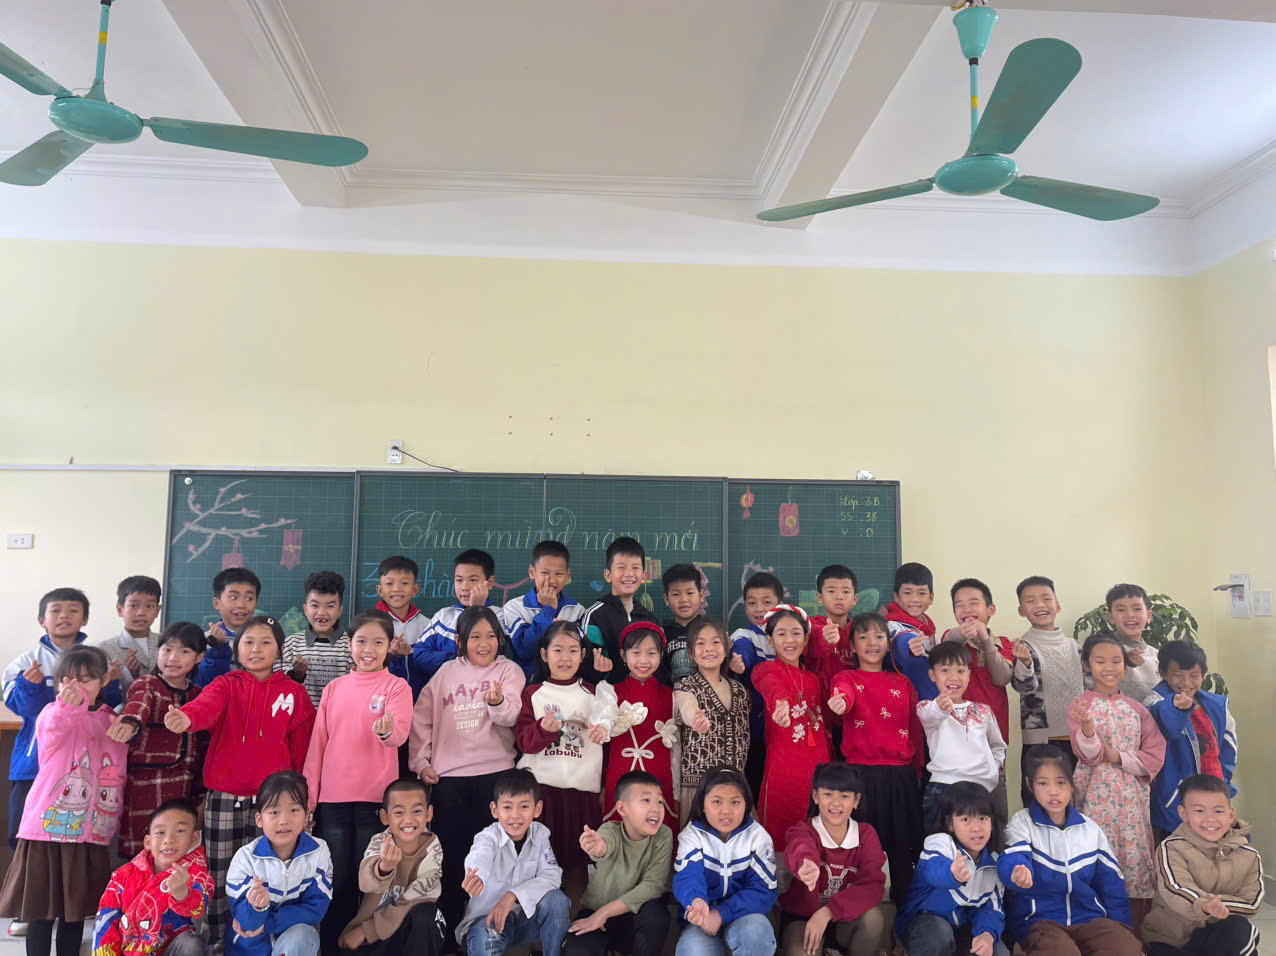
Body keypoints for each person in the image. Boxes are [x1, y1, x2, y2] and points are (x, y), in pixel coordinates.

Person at [164, 616, 316, 947]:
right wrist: (186, 717)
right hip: (224, 797)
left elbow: (303, 750)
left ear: (279, 649)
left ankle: (259, 944)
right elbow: (204, 707)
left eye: (265, 642)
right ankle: (218, 944)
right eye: (248, 642)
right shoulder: (226, 685)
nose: (256, 649)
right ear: (237, 649)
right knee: (220, 874)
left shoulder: (294, 693)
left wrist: (302, 799)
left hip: (274, 804)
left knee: (268, 875)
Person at [0, 646, 129, 956]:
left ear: (104, 680)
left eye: (85, 679)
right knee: (41, 914)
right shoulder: (53, 712)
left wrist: (109, 819)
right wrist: (69, 707)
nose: (75, 686)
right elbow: (53, 729)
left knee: (75, 914)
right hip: (48, 831)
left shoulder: (111, 720)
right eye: (66, 680)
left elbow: (116, 774)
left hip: (89, 832)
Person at [409, 606, 525, 938]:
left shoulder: (509, 671)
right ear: (460, 641)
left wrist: (496, 702)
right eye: (475, 637)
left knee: (493, 860)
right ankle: (448, 933)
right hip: (450, 778)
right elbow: (421, 719)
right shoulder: (445, 672)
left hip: (495, 777)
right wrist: (421, 762)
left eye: (491, 636)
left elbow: (510, 717)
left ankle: (486, 934)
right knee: (452, 857)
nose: (484, 643)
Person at [303, 610, 414, 955]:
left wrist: (386, 732)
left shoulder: (396, 686)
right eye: (361, 641)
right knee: (335, 879)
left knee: (371, 882)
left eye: (378, 642)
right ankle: (332, 947)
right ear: (348, 644)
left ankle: (365, 947)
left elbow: (399, 734)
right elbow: (317, 746)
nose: (368, 649)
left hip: (375, 800)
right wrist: (309, 802)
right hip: (333, 800)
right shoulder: (334, 689)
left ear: (389, 646)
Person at [3, 588, 122, 855]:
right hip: (32, 761)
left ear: (85, 619)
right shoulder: (27, 661)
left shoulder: (97, 658)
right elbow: (23, 709)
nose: (64, 616)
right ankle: (23, 876)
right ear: (41, 620)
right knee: (23, 831)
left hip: (80, 766)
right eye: (56, 610)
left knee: (73, 829)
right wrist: (29, 686)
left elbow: (105, 708)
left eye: (73, 610)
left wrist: (112, 683)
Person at [998, 745, 1141, 956]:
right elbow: (1013, 858)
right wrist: (1016, 872)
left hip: (1088, 918)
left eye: (1060, 782)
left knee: (1126, 947)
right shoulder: (1022, 823)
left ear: (1071, 784)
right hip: (1040, 921)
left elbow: (1111, 884)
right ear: (1030, 785)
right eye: (1043, 783)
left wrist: (1122, 928)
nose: (1053, 791)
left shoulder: (1090, 829)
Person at [1067, 633, 1166, 933]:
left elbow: (1154, 755)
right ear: (1087, 665)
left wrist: (1117, 756)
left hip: (1132, 798)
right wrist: (1087, 728)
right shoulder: (1080, 706)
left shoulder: (1138, 709)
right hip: (1093, 797)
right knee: (1098, 854)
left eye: (1115, 661)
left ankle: (1133, 935)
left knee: (1134, 858)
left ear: (1125, 666)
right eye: (1100, 661)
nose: (1108, 667)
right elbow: (1087, 754)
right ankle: (1097, 933)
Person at [828, 612, 923, 904]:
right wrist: (841, 702)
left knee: (902, 851)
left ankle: (904, 918)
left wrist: (917, 772)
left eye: (879, 636)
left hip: (900, 777)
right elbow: (843, 695)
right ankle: (857, 914)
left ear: (888, 643)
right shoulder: (846, 678)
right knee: (859, 851)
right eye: (863, 637)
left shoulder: (903, 682)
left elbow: (915, 731)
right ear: (852, 645)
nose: (872, 643)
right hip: (861, 778)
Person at [515, 621, 618, 875]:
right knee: (539, 865)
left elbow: (608, 749)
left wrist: (604, 785)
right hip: (542, 794)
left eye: (573, 651)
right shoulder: (533, 693)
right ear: (544, 654)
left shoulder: (595, 694)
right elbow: (523, 742)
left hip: (582, 796)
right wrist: (543, 730)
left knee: (578, 866)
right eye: (557, 650)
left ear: (583, 655)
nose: (565, 658)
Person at [107, 621, 208, 860]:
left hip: (185, 784)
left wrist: (201, 790)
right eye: (167, 649)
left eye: (184, 651)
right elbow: (137, 705)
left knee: (176, 849)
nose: (173, 657)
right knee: (142, 850)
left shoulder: (199, 695)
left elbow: (204, 740)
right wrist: (130, 722)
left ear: (199, 657)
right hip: (145, 782)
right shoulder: (147, 684)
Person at [1142, 775, 1264, 956]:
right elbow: (1176, 889)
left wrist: (1217, 906)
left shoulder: (1249, 855)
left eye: (1218, 811)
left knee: (1239, 929)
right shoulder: (1171, 847)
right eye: (1199, 811)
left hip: (1217, 936)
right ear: (1184, 814)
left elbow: (1251, 902)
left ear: (1231, 815)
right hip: (1171, 939)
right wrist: (1204, 905)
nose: (1210, 819)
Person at [455, 768, 571, 956]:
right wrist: (477, 875)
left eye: (524, 806)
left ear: (537, 809)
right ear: (495, 810)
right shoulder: (488, 837)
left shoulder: (540, 834)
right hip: (487, 922)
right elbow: (480, 855)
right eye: (507, 807)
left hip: (526, 922)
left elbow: (551, 876)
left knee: (557, 901)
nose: (515, 815)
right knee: (485, 940)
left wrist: (512, 895)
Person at [780, 762, 887, 956]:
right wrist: (805, 864)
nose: (836, 803)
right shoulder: (804, 830)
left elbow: (872, 884)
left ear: (856, 800)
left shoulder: (866, 834)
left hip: (845, 920)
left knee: (873, 919)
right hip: (803, 920)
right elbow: (799, 848)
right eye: (828, 794)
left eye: (844, 796)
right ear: (816, 796)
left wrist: (829, 911)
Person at [563, 770, 673, 956]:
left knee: (657, 915)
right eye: (646, 800)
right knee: (578, 949)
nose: (656, 808)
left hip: (633, 917)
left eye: (660, 801)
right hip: (595, 913)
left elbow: (653, 885)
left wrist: (604, 913)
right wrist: (597, 848)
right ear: (622, 809)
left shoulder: (663, 835)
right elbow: (604, 846)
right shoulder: (610, 830)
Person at [225, 771, 333, 956]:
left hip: (292, 944)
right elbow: (246, 925)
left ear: (306, 815)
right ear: (260, 819)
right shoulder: (246, 858)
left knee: (303, 934)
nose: (284, 820)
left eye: (294, 810)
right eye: (274, 812)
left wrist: (269, 923)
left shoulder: (318, 851)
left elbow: (316, 908)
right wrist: (257, 908)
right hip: (249, 948)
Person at [672, 767, 777, 956]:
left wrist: (722, 913)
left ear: (746, 805)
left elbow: (763, 890)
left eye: (735, 802)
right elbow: (688, 877)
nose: (726, 811)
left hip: (744, 917)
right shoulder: (692, 835)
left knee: (756, 934)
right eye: (716, 802)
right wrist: (696, 901)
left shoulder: (758, 837)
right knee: (694, 950)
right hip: (703, 922)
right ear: (703, 805)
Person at [896, 781, 1007, 956]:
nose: (976, 828)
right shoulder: (940, 843)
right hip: (924, 927)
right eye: (965, 819)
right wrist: (952, 874)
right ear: (949, 823)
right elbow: (934, 871)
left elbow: (992, 908)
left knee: (998, 950)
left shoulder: (994, 863)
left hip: (961, 931)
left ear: (992, 823)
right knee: (939, 935)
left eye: (983, 818)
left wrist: (987, 934)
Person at [752, 605, 830, 851]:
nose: (789, 640)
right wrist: (780, 704)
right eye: (781, 634)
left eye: (796, 633)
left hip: (818, 767)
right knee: (781, 837)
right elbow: (771, 686)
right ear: (770, 640)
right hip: (784, 769)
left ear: (806, 639)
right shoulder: (766, 669)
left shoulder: (814, 679)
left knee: (818, 832)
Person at [93, 799, 213, 956]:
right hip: (130, 952)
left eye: (180, 831)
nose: (169, 839)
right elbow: (106, 918)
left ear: (194, 838)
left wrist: (182, 893)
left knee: (193, 944)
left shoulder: (195, 873)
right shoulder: (123, 875)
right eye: (160, 832)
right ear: (148, 841)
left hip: (172, 950)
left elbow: (198, 907)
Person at [1144, 641, 1237, 842]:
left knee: (1216, 850)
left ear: (1204, 675)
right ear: (1163, 673)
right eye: (1178, 675)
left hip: (1214, 793)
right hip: (1175, 802)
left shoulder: (1217, 707)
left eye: (1194, 675)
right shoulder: (1155, 703)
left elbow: (1228, 749)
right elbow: (1168, 726)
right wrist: (1177, 709)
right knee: (1179, 853)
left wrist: (1225, 784)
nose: (1186, 682)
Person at [339, 778, 445, 956]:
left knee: (425, 915)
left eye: (417, 811)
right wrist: (384, 868)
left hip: (407, 933)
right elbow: (365, 884)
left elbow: (416, 899)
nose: (408, 819)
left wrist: (367, 930)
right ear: (385, 817)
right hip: (377, 937)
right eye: (399, 812)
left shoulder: (433, 851)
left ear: (429, 813)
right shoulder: (380, 842)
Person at [941, 578, 1015, 820]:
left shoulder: (1003, 643)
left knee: (995, 809)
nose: (967, 610)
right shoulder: (951, 640)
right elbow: (947, 643)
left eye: (974, 603)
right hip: (957, 742)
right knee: (959, 809)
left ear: (990, 609)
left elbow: (1002, 677)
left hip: (992, 742)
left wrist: (986, 642)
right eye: (959, 605)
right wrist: (962, 635)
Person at [917, 642, 1007, 835]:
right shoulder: (926, 707)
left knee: (979, 840)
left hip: (980, 788)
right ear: (932, 675)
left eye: (960, 671)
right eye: (945, 670)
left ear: (968, 675)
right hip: (943, 788)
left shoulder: (983, 710)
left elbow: (998, 745)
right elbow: (931, 716)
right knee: (941, 843)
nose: (953, 677)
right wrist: (940, 706)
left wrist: (993, 767)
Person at [1010, 575, 1083, 808]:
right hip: (1041, 742)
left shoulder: (1075, 646)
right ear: (1021, 611)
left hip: (1079, 739)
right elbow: (1023, 687)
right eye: (1030, 601)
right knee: (1039, 802)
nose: (1039, 605)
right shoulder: (1023, 646)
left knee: (1076, 801)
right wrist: (1025, 663)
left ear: (1058, 605)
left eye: (1045, 598)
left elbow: (1092, 686)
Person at [673, 618, 751, 827]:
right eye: (700, 643)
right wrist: (695, 720)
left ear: (726, 649)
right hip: (698, 786)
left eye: (716, 642)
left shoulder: (741, 691)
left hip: (734, 786)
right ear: (691, 653)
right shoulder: (685, 686)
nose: (708, 648)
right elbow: (688, 708)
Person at [602, 623, 678, 830]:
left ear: (661, 655)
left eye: (651, 653)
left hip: (660, 778)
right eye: (636, 653)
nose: (643, 660)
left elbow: (677, 749)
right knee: (618, 833)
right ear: (623, 655)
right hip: (620, 778)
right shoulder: (610, 693)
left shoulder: (672, 696)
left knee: (659, 833)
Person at [414, 550, 502, 689]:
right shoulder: (443, 616)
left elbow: (489, 657)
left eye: (473, 580)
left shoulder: (500, 616)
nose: (465, 587)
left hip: (483, 692)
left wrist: (477, 609)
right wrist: (455, 661)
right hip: (444, 692)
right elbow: (420, 655)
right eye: (459, 580)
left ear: (490, 583)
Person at [727, 572, 781, 797]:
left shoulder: (789, 635)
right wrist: (739, 663)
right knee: (756, 787)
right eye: (752, 603)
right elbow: (742, 651)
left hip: (786, 731)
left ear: (780, 604)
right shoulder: (745, 635)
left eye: (767, 602)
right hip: (756, 730)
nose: (759, 609)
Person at [503, 541, 588, 682]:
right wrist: (548, 610)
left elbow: (583, 652)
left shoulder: (577, 610)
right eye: (545, 573)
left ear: (567, 575)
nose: (551, 580)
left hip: (567, 685)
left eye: (559, 573)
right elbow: (524, 650)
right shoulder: (514, 607)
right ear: (532, 572)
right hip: (529, 686)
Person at [579, 537, 660, 683]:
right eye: (621, 567)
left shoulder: (650, 619)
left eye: (635, 568)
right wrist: (599, 668)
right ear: (608, 575)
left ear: (644, 576)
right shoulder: (595, 615)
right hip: (606, 693)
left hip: (641, 694)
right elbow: (584, 664)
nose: (629, 573)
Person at [281, 570, 350, 708]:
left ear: (340, 610)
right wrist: (297, 675)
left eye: (330, 606)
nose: (322, 612)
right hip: (300, 718)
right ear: (305, 609)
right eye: (315, 605)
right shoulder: (290, 645)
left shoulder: (351, 646)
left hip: (338, 717)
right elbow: (281, 689)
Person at [98, 575, 164, 693]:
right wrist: (128, 675)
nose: (141, 612)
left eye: (149, 606)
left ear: (157, 611)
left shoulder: (166, 642)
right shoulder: (104, 649)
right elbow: (102, 693)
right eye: (133, 605)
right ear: (120, 610)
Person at [197, 568, 261, 684]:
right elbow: (203, 682)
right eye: (233, 598)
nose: (241, 605)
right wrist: (217, 647)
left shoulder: (265, 640)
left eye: (249, 598)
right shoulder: (205, 641)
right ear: (217, 603)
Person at [886, 562, 940, 699]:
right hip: (904, 699)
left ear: (931, 598)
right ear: (896, 597)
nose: (915, 599)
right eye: (907, 593)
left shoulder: (930, 631)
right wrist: (909, 648)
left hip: (932, 703)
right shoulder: (891, 625)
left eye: (921, 593)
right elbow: (900, 643)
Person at [375, 556, 428, 692]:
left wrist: (410, 654)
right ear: (379, 590)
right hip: (380, 697)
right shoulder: (370, 624)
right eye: (389, 583)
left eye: (404, 583)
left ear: (415, 589)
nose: (397, 589)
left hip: (419, 698)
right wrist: (389, 654)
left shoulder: (427, 625)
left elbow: (430, 665)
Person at [1101, 584, 1161, 702]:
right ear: (1110, 617)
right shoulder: (1102, 650)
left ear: (1148, 616)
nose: (1130, 615)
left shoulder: (1157, 655)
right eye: (1121, 610)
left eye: (1137, 609)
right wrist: (1120, 661)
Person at [661, 564, 706, 683]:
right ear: (666, 599)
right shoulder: (661, 633)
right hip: (670, 693)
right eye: (676, 594)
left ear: (701, 596)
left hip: (705, 693)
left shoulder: (711, 631)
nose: (684, 600)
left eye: (690, 593)